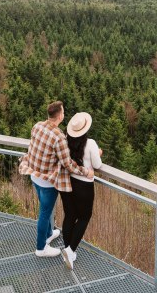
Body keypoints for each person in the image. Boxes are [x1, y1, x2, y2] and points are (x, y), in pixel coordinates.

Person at [19, 101, 94, 258]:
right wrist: (85, 171)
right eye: (64, 112)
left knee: (45, 209)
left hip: (34, 175)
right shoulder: (59, 137)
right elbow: (67, 164)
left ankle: (48, 234)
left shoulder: (38, 125)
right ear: (60, 115)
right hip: (47, 181)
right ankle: (41, 248)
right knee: (45, 213)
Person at [60, 112, 102, 270]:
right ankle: (70, 251)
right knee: (84, 217)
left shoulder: (64, 140)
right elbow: (97, 165)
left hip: (67, 182)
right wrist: (98, 154)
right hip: (84, 186)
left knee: (70, 215)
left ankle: (67, 248)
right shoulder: (90, 144)